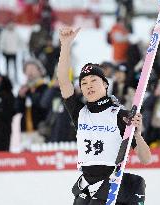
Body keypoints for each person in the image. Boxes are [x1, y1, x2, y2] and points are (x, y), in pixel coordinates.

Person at [58, 27, 151, 205]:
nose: (89, 85)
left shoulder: (120, 115)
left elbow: (146, 159)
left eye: (94, 80)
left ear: (105, 85)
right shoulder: (80, 112)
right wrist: (65, 45)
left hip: (110, 186)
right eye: (84, 82)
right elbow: (63, 80)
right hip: (86, 185)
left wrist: (137, 134)